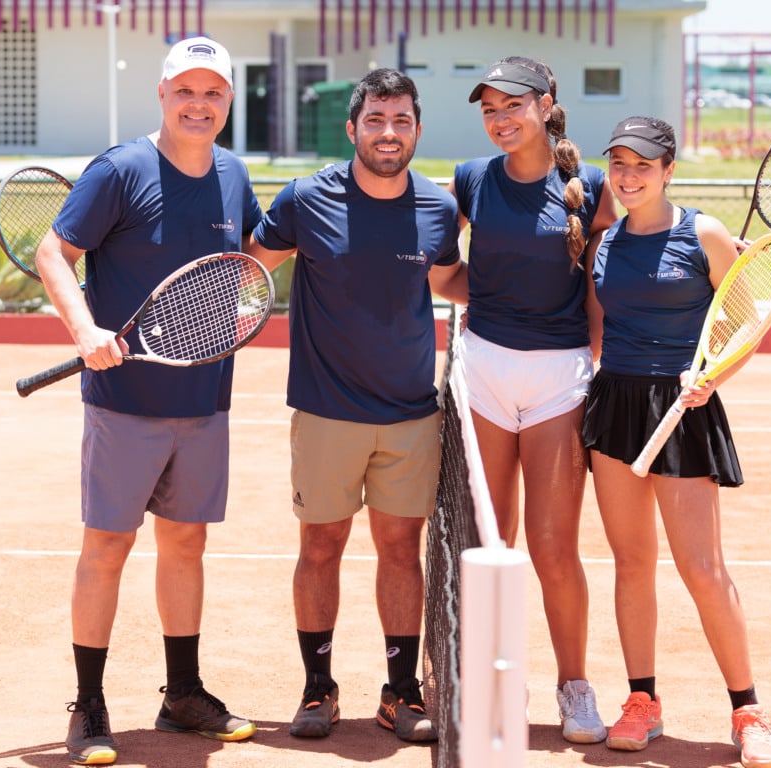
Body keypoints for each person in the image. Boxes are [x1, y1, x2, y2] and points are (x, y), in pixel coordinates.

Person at [34, 36, 261, 765]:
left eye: (214, 93)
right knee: (108, 546)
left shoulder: (233, 174)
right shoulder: (121, 169)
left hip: (204, 397)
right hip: (123, 402)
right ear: (162, 93)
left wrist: (240, 304)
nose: (200, 104)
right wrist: (85, 327)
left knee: (186, 544)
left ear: (228, 100)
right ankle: (89, 704)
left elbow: (245, 261)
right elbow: (52, 252)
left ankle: (182, 695)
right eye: (187, 90)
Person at [245, 67, 466, 744]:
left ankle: (400, 693)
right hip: (325, 411)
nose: (388, 132)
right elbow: (249, 267)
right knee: (321, 546)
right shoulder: (305, 199)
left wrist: (534, 283)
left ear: (417, 129)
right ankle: (318, 690)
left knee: (401, 548)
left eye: (401, 121)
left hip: (408, 414)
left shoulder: (436, 209)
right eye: (375, 119)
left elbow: (450, 281)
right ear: (353, 129)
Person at [582, 115, 771, 768]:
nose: (628, 175)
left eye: (643, 164)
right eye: (619, 163)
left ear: (669, 170)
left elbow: (746, 320)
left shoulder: (704, 233)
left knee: (701, 567)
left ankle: (747, 711)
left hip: (684, 406)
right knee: (631, 562)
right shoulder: (604, 243)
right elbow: (596, 331)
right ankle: (643, 701)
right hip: (616, 405)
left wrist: (711, 379)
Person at [449, 55, 618, 744]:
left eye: (513, 105)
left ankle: (574, 686)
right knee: (492, 541)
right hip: (484, 370)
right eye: (489, 108)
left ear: (547, 104)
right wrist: (485, 303)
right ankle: (495, 684)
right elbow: (441, 265)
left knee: (553, 547)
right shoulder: (469, 180)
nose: (500, 119)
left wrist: (596, 360)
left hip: (560, 379)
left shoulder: (595, 187)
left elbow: (606, 283)